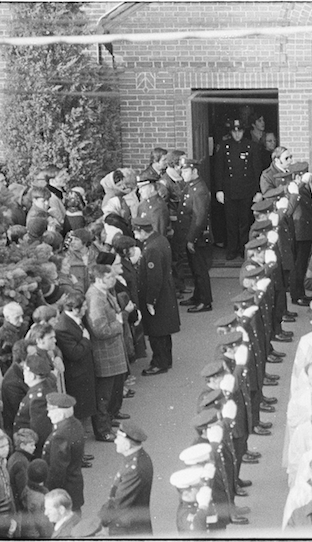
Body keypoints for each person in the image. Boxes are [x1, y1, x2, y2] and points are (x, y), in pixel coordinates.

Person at [84, 264, 128, 442]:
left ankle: (109, 420)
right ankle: (102, 430)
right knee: (104, 393)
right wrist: (118, 323)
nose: (114, 279)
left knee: (112, 390)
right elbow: (100, 330)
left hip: (112, 351)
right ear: (100, 278)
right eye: (110, 277)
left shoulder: (104, 293)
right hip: (105, 353)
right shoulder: (95, 298)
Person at [133, 215, 181, 375]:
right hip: (165, 293)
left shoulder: (151, 248)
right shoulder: (160, 239)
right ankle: (166, 360)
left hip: (157, 296)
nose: (135, 235)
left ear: (141, 231)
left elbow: (154, 278)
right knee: (164, 330)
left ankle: (159, 363)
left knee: (156, 331)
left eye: (136, 231)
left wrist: (150, 301)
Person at [214, 119, 262, 260]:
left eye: (239, 131)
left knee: (245, 221)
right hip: (229, 190)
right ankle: (232, 248)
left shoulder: (251, 146)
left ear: (243, 131)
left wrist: (258, 190)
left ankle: (243, 248)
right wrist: (219, 190)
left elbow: (256, 169)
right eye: (234, 131)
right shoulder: (224, 146)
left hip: (246, 190)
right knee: (231, 222)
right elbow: (219, 170)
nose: (237, 134)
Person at [98, 421, 153, 536]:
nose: (115, 441)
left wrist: (101, 522)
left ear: (127, 445)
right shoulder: (134, 458)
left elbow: (120, 502)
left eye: (118, 438)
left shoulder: (134, 468)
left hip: (127, 528)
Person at [53, 292, 97, 433]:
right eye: (83, 306)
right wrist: (85, 340)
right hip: (77, 376)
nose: (86, 308)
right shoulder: (63, 326)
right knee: (78, 414)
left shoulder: (75, 319)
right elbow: (74, 353)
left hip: (84, 372)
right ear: (74, 309)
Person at [176, 158, 213, 312]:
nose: (182, 174)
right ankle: (198, 296)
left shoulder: (199, 190)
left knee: (200, 270)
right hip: (191, 236)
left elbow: (199, 218)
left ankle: (205, 301)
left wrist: (191, 239)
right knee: (194, 268)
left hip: (197, 237)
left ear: (194, 171)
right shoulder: (191, 187)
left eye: (185, 171)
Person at [42, 392, 86, 514]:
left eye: (51, 410)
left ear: (60, 413)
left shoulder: (60, 435)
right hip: (74, 485)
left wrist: (51, 492)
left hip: (64, 490)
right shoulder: (75, 424)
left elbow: (58, 469)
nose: (48, 414)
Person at [14, 352, 57, 457]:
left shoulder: (38, 398)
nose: (23, 372)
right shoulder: (44, 386)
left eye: (25, 370)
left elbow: (39, 430)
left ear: (32, 375)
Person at [0, 428, 18, 539]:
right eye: (1, 447)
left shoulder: (3, 463)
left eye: (7, 445)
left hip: (8, 513)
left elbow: (8, 489)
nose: (6, 449)